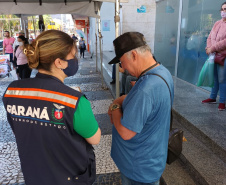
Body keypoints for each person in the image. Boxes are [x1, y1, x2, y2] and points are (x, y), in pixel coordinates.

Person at [2, 30, 101, 185]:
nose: (76, 60)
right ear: (59, 62)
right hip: (70, 177)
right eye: (72, 56)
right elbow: (95, 138)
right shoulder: (74, 101)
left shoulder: (12, 91)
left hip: (33, 174)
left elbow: (20, 128)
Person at [107, 32, 174, 185]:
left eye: (121, 61)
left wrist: (115, 106)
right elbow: (136, 100)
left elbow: (125, 132)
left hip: (138, 168)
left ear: (134, 55)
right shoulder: (162, 72)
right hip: (150, 158)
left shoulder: (146, 88)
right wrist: (120, 99)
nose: (122, 67)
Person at [202, 2, 226, 111]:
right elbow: (210, 36)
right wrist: (208, 48)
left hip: (223, 56)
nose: (223, 11)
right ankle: (212, 97)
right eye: (222, 9)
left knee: (222, 79)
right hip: (213, 54)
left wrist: (213, 48)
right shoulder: (217, 23)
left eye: (225, 9)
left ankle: (222, 101)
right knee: (215, 77)